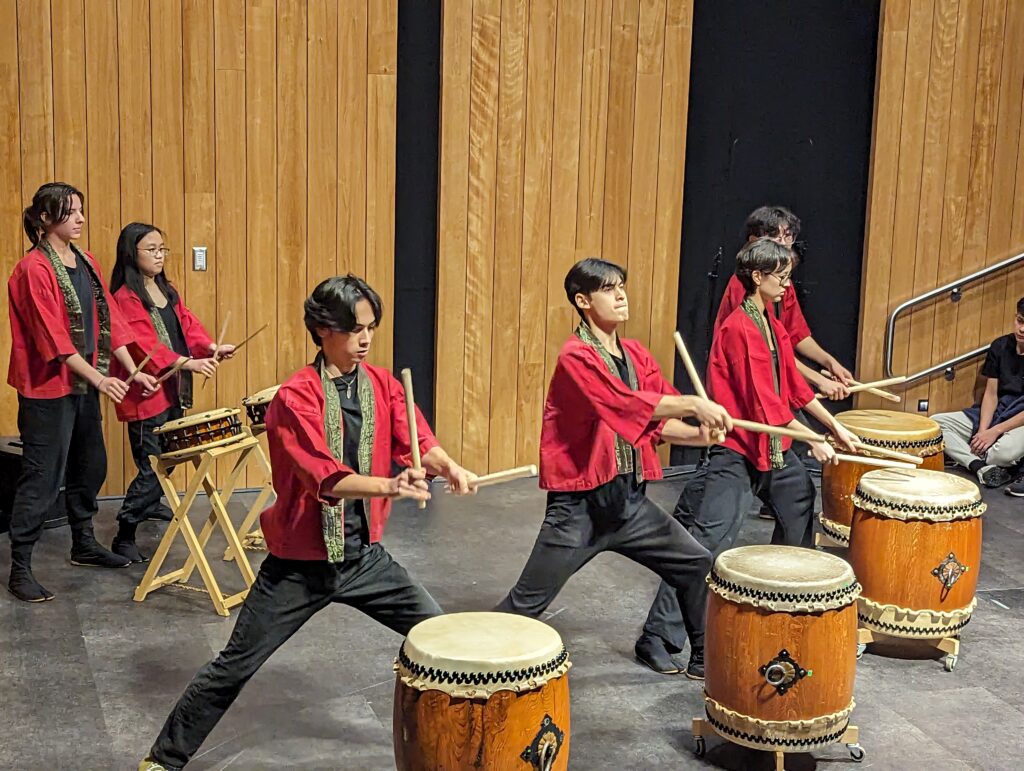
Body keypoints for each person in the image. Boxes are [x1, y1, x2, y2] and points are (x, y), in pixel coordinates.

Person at [138, 275, 476, 771]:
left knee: (442, 639)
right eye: (354, 329)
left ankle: (456, 751)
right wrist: (391, 486)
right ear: (322, 330)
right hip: (298, 566)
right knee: (234, 665)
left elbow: (417, 438)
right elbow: (328, 478)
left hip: (364, 560)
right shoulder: (294, 398)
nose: (365, 340)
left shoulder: (381, 384)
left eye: (371, 329)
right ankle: (162, 761)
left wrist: (448, 465)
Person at [495, 258, 732, 680]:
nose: (621, 295)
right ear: (583, 301)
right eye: (609, 289)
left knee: (696, 564)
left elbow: (659, 420)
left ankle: (702, 660)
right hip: (580, 512)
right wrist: (695, 403)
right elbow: (622, 403)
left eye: (622, 285)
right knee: (523, 606)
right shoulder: (576, 357)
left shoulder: (636, 354)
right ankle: (465, 672)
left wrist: (701, 436)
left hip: (630, 504)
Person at [636, 238, 858, 673]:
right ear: (757, 277)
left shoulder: (772, 324)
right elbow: (762, 405)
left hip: (771, 449)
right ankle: (658, 635)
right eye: (781, 278)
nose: (786, 286)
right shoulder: (738, 328)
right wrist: (810, 438)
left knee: (798, 505)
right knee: (705, 542)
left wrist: (835, 425)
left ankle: (783, 607)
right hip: (737, 449)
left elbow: (792, 386)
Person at [6, 183, 160, 603]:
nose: (80, 218)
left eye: (80, 210)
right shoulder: (32, 270)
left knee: (90, 464)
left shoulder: (87, 262)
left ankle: (84, 543)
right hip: (47, 389)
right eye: (69, 212)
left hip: (83, 382)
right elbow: (52, 339)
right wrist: (100, 378)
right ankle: (20, 567)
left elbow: (110, 322)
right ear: (43, 219)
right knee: (43, 476)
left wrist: (132, 370)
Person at [108, 222, 234, 562]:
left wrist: (211, 346)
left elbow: (187, 325)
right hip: (147, 394)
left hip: (173, 390)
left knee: (169, 456)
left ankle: (149, 505)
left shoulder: (166, 289)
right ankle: (124, 532)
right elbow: (143, 345)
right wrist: (187, 364)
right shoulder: (125, 297)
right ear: (131, 254)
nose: (160, 255)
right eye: (152, 250)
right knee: (152, 466)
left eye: (162, 249)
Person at [714, 205, 853, 400]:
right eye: (775, 237)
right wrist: (817, 380)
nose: (784, 244)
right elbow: (770, 352)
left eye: (788, 237)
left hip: (773, 381)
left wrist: (829, 362)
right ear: (754, 241)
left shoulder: (779, 283)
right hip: (745, 389)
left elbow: (796, 333)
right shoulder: (744, 288)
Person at [932, 296, 1024, 493]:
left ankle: (996, 462)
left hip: (1019, 420)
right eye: (1020, 321)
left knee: (1002, 453)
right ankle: (979, 466)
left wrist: (995, 431)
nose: (1022, 329)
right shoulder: (1000, 346)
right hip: (997, 411)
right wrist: (983, 430)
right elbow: (991, 394)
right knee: (934, 424)